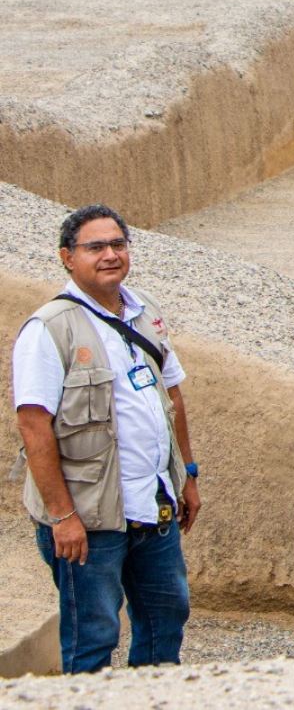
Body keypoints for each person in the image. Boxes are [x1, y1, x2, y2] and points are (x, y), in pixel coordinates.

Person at [13, 204, 200, 672]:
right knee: (92, 638)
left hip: (152, 506)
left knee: (166, 621)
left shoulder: (144, 312)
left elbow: (171, 396)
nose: (110, 255)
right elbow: (33, 426)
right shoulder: (48, 329)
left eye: (118, 244)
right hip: (89, 519)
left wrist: (188, 476)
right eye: (95, 246)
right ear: (67, 257)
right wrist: (62, 517)